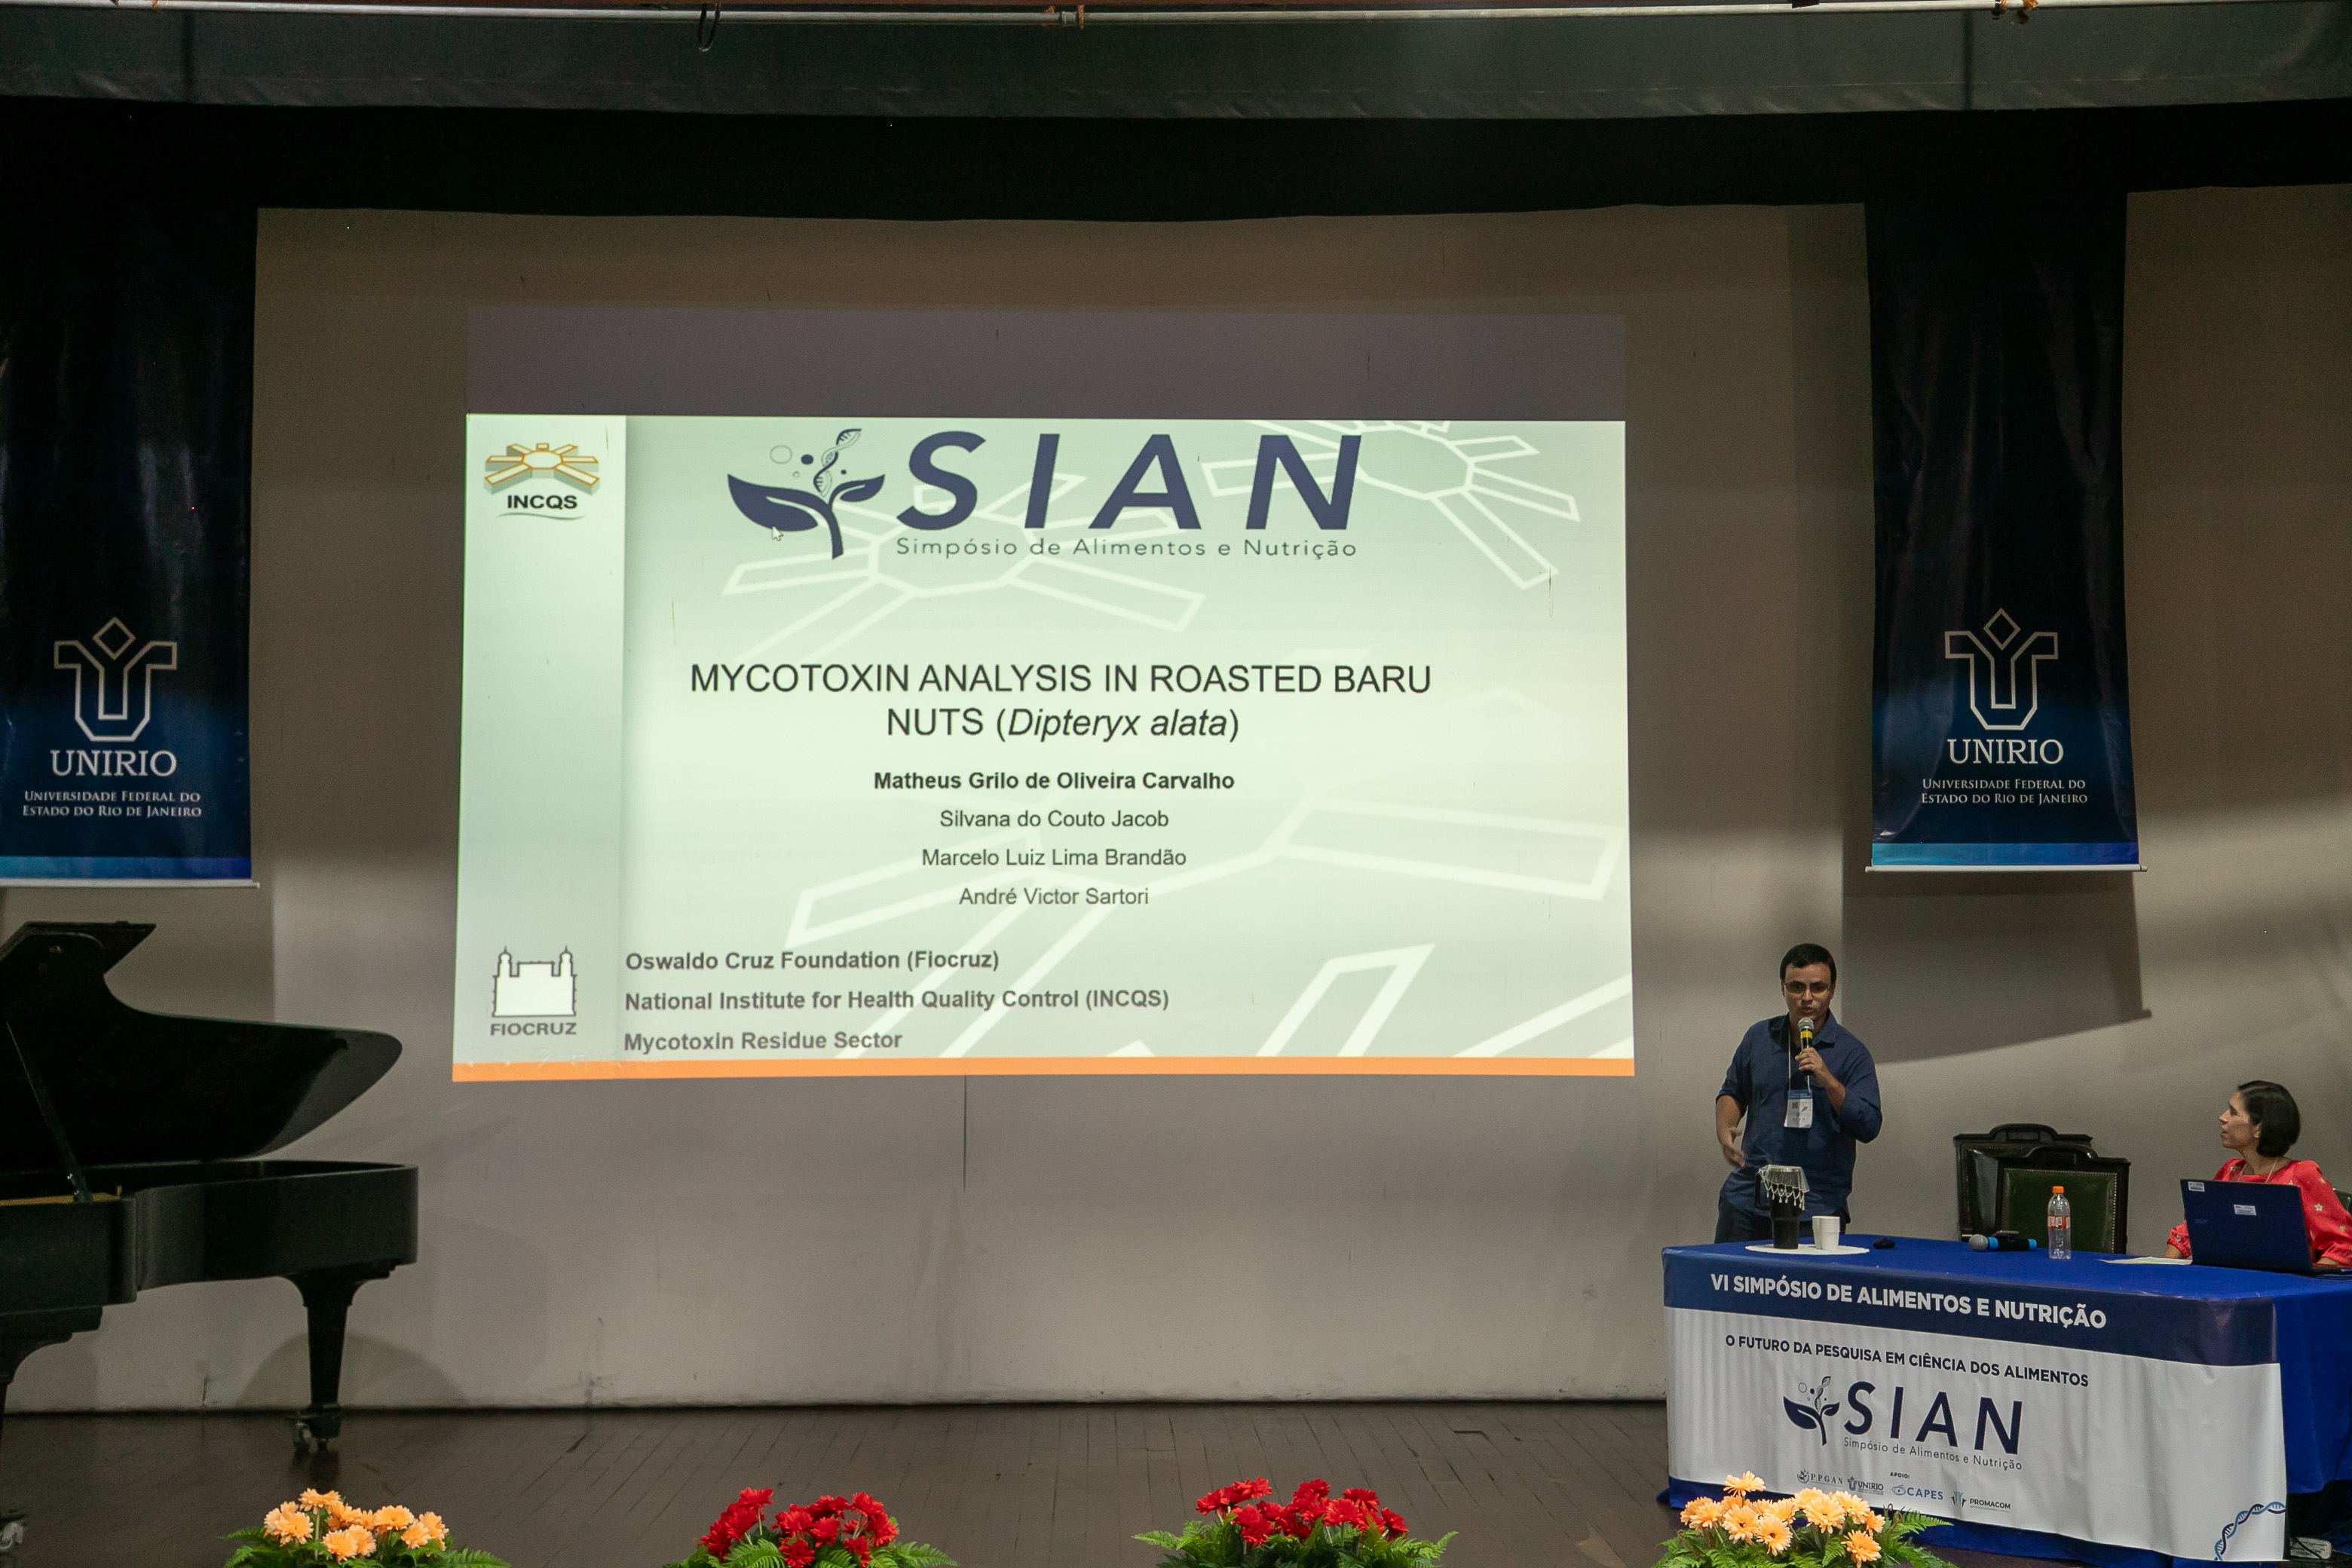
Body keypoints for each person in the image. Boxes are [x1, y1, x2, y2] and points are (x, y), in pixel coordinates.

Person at [1713, 942, 1882, 1244]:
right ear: (1783, 988)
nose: (1807, 998)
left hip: (1815, 1204)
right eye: (1796, 987)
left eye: (1818, 988)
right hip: (1748, 1198)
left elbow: (1869, 1125)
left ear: (1832, 990)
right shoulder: (1758, 1038)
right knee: (1729, 1275)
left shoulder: (1851, 1052)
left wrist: (1827, 1079)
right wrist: (1725, 1129)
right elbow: (1733, 1091)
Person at [2164, 1080, 2351, 1269]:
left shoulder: (2302, 1173)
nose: (2222, 1117)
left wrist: (2306, 1280)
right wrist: (2166, 1269)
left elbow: (2342, 1246)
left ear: (2259, 1127)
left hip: (2284, 1284)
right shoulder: (2231, 1170)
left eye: (2233, 1112)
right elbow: (2191, 1230)